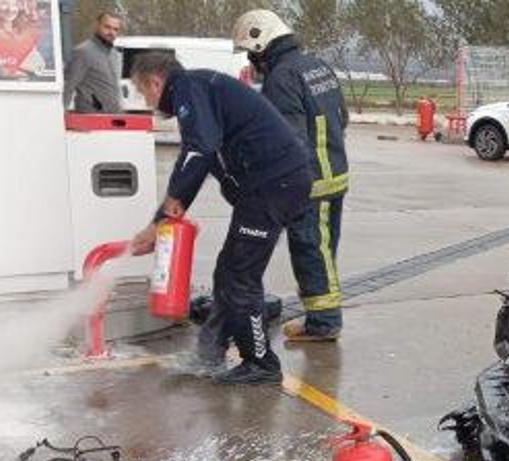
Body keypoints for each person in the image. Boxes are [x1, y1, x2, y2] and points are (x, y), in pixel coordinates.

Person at [127, 53, 313, 385]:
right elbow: (193, 156)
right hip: (267, 186)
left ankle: (261, 364)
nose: (148, 101)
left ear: (156, 82)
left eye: (144, 92)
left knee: (240, 277)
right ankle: (210, 353)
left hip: (274, 185)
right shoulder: (197, 88)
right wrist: (161, 217)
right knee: (229, 273)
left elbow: (201, 150)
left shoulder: (187, 89)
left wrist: (161, 220)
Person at [234, 10, 350, 342]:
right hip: (334, 172)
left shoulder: (281, 77)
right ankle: (322, 315)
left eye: (251, 53)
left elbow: (287, 139)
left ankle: (324, 322)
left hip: (311, 183)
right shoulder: (317, 66)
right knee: (323, 249)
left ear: (262, 45)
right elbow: (340, 117)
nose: (252, 61)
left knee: (310, 248)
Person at [62, 11, 123, 113]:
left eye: (115, 29)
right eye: (107, 27)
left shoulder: (115, 54)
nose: (111, 32)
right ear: (97, 25)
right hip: (90, 116)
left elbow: (115, 86)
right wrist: (60, 115)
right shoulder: (83, 52)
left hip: (113, 116)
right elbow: (68, 86)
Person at [0, 0, 46, 79]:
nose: (10, 9)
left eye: (15, 4)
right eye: (4, 3)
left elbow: (39, 66)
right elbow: (1, 71)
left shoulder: (23, 34)